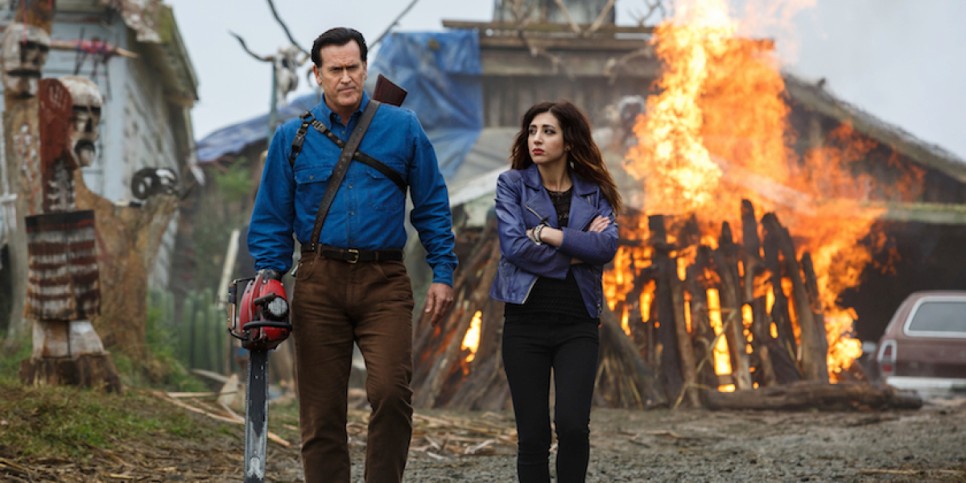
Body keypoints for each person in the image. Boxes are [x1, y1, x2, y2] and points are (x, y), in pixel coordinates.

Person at [246, 27, 457, 483]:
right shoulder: (292, 137)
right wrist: (269, 277)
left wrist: (443, 271)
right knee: (321, 411)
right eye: (336, 69)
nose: (346, 77)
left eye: (354, 67)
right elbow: (271, 218)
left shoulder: (403, 127)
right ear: (317, 74)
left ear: (365, 68)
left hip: (385, 281)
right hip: (318, 281)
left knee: (391, 393)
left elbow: (432, 204)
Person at [490, 101, 621, 482]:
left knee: (574, 426)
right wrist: (576, 252)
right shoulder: (512, 185)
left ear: (569, 141)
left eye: (548, 131)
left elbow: (606, 247)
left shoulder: (594, 192)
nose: (537, 139)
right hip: (525, 324)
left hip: (578, 324)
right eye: (532, 131)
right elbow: (515, 247)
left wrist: (548, 234)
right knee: (533, 435)